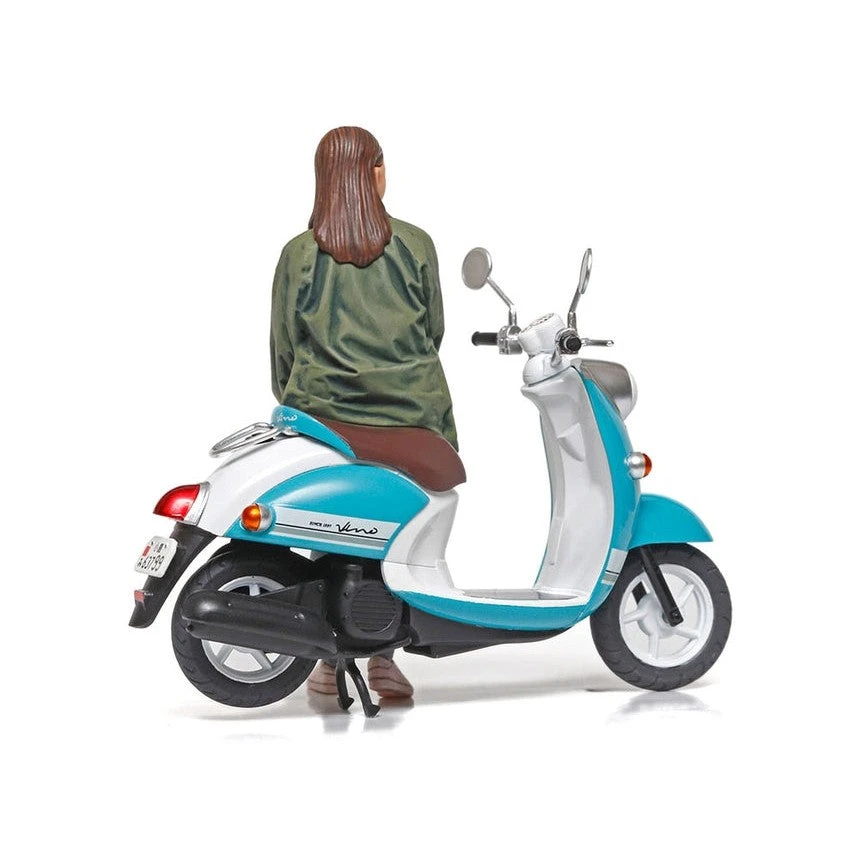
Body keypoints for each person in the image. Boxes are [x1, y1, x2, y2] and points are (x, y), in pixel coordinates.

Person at [270, 126, 460, 699]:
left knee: (331, 526)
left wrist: (302, 400)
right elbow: (434, 331)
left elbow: (283, 348)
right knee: (400, 527)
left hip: (323, 413)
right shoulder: (416, 245)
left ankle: (327, 659)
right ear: (376, 172)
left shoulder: (298, 254)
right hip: (413, 415)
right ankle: (382, 656)